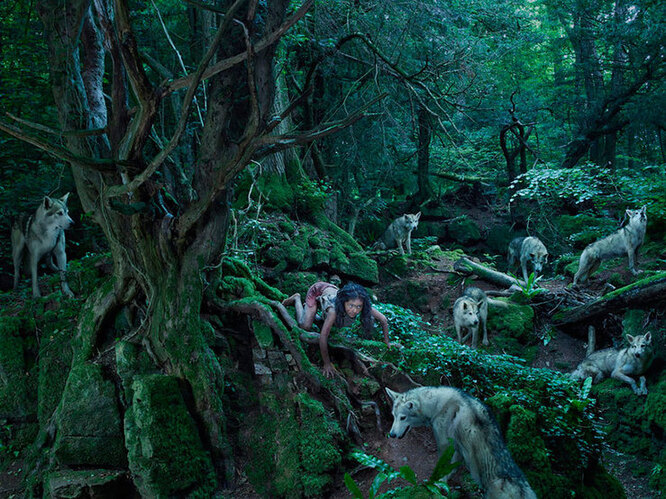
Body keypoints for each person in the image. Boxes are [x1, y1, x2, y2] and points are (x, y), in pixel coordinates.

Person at [283, 281, 391, 378]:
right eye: (351, 306)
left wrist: (386, 341)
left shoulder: (359, 304)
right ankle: (297, 299)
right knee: (305, 326)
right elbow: (323, 336)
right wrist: (327, 363)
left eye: (359, 307)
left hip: (331, 290)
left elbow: (383, 319)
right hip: (317, 290)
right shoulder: (333, 311)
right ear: (344, 302)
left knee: (336, 323)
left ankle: (313, 312)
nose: (354, 310)